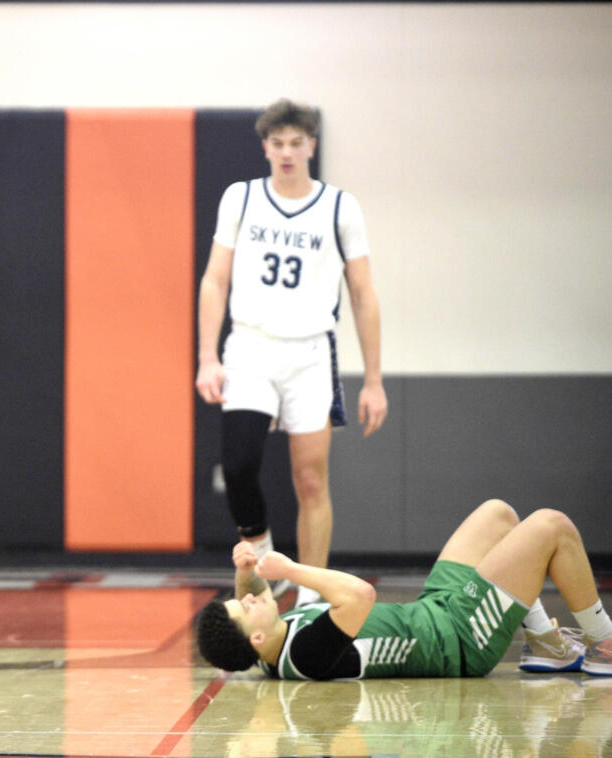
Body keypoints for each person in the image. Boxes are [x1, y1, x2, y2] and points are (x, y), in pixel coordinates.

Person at [195, 98, 388, 606]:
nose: (286, 152)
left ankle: (310, 596)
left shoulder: (340, 207)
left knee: (309, 478)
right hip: (250, 345)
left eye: (296, 143)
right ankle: (260, 546)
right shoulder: (241, 198)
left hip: (309, 351)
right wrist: (207, 357)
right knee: (238, 463)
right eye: (277, 143)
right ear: (265, 147)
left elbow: (364, 294)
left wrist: (373, 379)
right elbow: (215, 279)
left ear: (311, 146)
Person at [195, 499, 612, 679]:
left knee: (498, 515)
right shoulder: (305, 656)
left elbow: (253, 599)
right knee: (551, 525)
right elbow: (360, 595)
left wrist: (246, 571)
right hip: (461, 642)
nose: (248, 596)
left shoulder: (272, 642)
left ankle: (544, 644)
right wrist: (293, 568)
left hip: (436, 611)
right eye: (245, 607)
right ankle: (603, 644)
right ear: (256, 636)